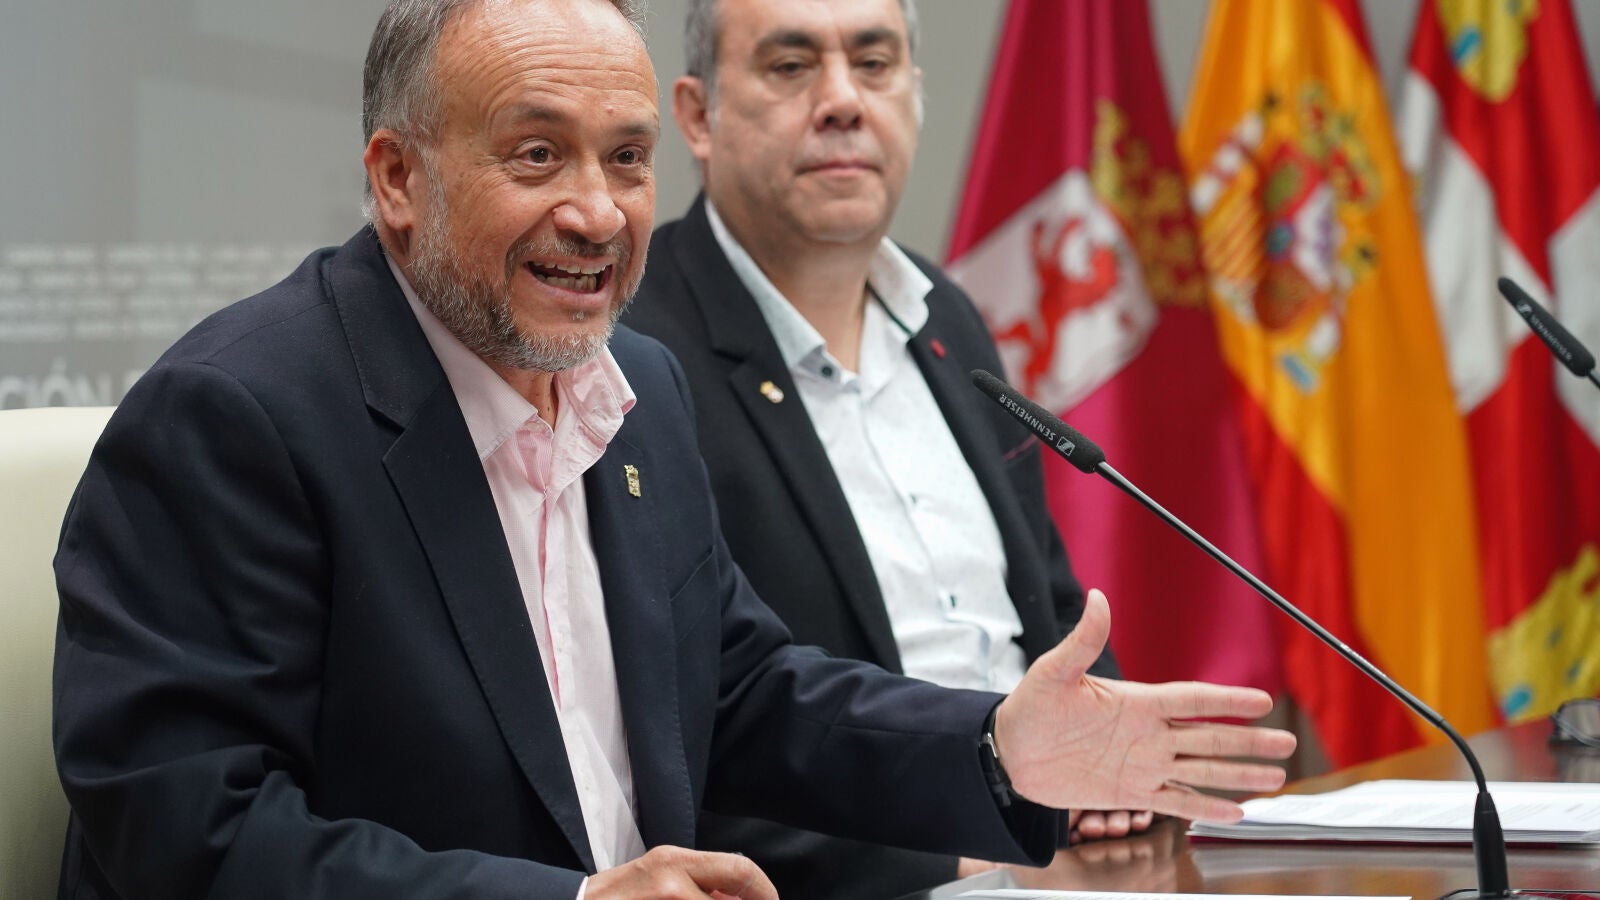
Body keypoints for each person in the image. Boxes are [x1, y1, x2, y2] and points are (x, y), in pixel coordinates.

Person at [50, 0, 1295, 898]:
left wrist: (994, 750)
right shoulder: (236, 416)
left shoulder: (630, 384)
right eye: (536, 154)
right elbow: (186, 830)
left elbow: (737, 694)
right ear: (397, 179)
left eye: (627, 159)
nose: (596, 212)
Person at [624, 1, 1151, 895]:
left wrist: (1108, 754)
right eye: (791, 66)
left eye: (873, 63)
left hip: (1064, 859)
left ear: (914, 91)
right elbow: (679, 741)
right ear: (698, 116)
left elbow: (1053, 606)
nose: (843, 101)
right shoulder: (635, 357)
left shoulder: (948, 317)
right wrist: (956, 856)